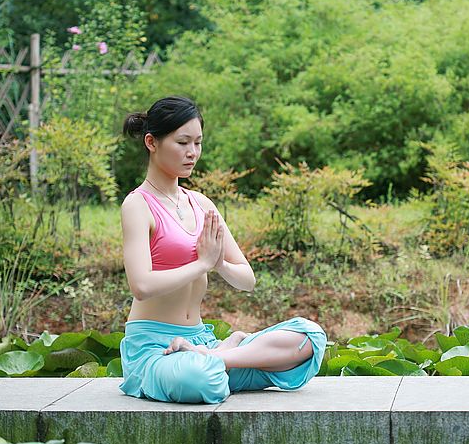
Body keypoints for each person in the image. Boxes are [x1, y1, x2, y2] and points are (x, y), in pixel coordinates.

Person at [118, 95, 326, 404]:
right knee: (201, 379)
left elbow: (247, 279)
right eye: (182, 142)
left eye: (198, 143)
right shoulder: (137, 205)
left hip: (202, 343)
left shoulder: (200, 203)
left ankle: (217, 356)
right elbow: (142, 286)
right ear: (152, 142)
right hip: (155, 351)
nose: (192, 153)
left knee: (310, 338)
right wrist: (202, 263)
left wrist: (219, 264)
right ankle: (223, 357)